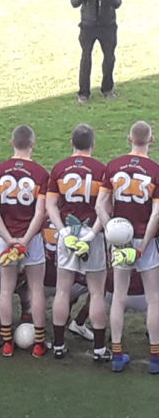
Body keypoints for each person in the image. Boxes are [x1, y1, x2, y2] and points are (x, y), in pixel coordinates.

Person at [96, 121, 159, 373]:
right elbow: (156, 214)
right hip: (146, 238)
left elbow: (100, 206)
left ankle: (117, 353)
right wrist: (143, 246)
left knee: (119, 297)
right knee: (154, 298)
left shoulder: (113, 166)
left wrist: (111, 232)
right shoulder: (155, 169)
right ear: (151, 140)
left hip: (120, 238)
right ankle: (155, 357)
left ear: (128, 138)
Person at [46, 124, 109, 360]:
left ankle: (59, 345)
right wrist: (93, 234)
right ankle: (100, 349)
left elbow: (51, 205)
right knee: (97, 292)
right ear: (93, 144)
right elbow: (105, 207)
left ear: (71, 143)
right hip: (92, 231)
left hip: (68, 234)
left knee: (63, 290)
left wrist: (62, 232)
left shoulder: (60, 168)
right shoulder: (102, 170)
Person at [0, 125, 49, 358]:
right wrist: (25, 239)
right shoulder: (41, 174)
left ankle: (6, 343)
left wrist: (9, 238)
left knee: (6, 289)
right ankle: (39, 344)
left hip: (6, 238)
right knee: (36, 289)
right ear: (33, 143)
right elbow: (40, 213)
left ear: (12, 143)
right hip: (30, 239)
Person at [71, 0, 122, 104]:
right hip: (88, 26)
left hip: (108, 26)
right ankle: (84, 93)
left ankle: (107, 89)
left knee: (109, 58)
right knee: (85, 58)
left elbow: (117, 3)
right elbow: (74, 3)